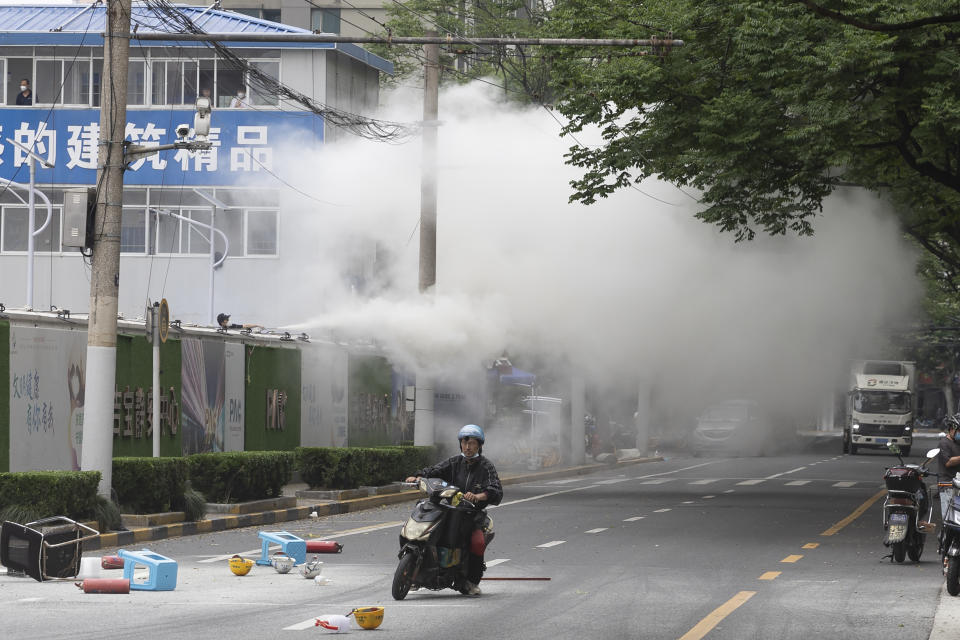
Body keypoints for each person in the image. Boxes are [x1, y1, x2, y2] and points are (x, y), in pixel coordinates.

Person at [405, 424, 502, 596]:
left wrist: (479, 496)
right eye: (465, 443)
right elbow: (434, 471)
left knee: (477, 543)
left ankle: (471, 581)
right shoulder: (454, 462)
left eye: (472, 443)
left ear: (479, 445)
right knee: (424, 533)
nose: (468, 447)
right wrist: (419, 476)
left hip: (471, 515)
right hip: (447, 510)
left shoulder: (486, 467)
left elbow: (495, 490)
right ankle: (415, 575)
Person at [937, 414, 960, 519]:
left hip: (958, 484)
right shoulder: (944, 443)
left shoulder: (958, 443)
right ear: (952, 429)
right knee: (948, 518)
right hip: (947, 485)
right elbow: (948, 462)